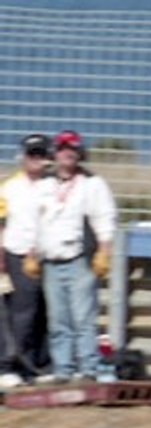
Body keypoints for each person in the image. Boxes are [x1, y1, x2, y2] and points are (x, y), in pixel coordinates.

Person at [35, 129, 117, 383]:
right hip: (51, 260)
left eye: (72, 148)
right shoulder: (43, 186)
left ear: (79, 153)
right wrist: (31, 253)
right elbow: (34, 221)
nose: (67, 153)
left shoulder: (92, 184)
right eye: (62, 148)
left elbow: (104, 219)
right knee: (58, 320)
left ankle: (88, 369)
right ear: (55, 153)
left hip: (80, 259)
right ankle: (63, 369)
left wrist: (104, 251)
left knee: (83, 318)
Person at [0, 133, 52, 387]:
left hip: (47, 257)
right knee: (22, 312)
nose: (37, 159)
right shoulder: (9, 188)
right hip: (17, 255)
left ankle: (38, 364)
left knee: (45, 311)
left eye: (42, 154)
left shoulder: (51, 186)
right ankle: (10, 364)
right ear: (22, 157)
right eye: (33, 154)